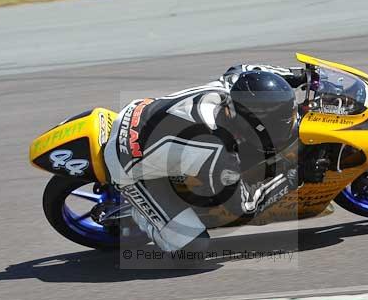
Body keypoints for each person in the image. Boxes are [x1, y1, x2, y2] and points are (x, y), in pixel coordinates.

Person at [103, 63, 324, 255]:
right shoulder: (218, 151)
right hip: (125, 161)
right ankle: (138, 215)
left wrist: (294, 76)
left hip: (137, 112)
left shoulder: (230, 87)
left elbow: (247, 69)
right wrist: (294, 176)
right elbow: (245, 207)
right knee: (194, 247)